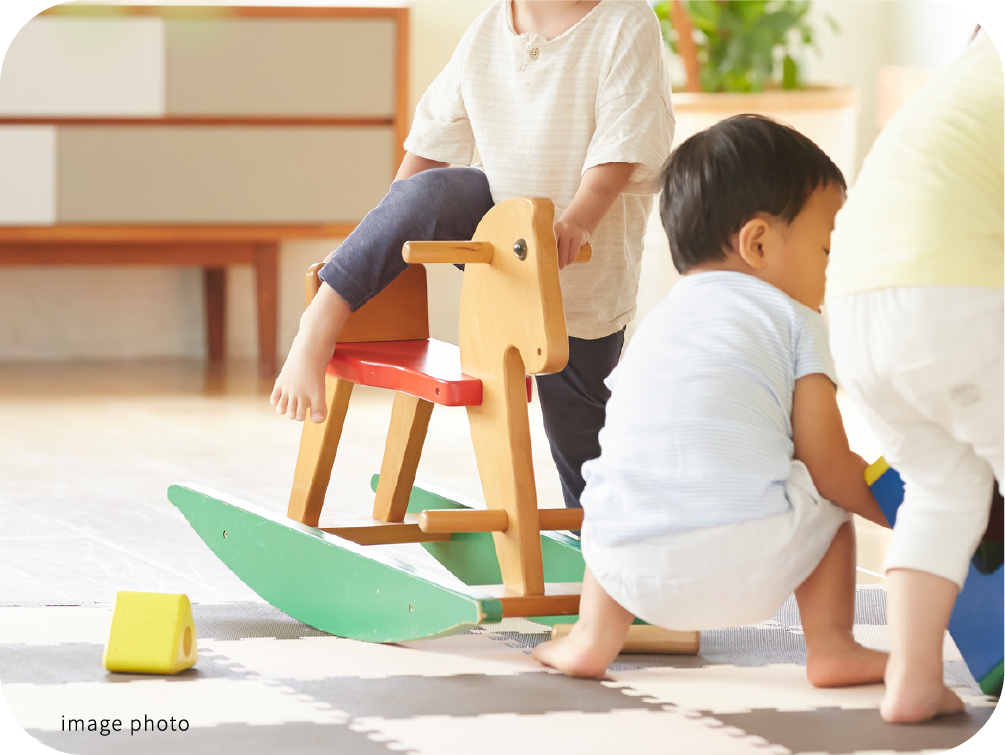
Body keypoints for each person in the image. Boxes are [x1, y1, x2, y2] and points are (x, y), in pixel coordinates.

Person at [271, 0, 675, 510]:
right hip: (500, 240)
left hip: (579, 268)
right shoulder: (490, 27)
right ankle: (322, 318)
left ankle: (601, 539)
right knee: (433, 192)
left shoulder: (625, 21)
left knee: (580, 437)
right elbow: (435, 135)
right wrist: (377, 236)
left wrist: (579, 218)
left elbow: (625, 137)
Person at [533, 115, 890, 691]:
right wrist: (909, 514)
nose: (835, 268)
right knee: (829, 505)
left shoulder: (657, 325)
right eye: (828, 248)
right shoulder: (797, 322)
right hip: (749, 567)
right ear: (758, 243)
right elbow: (829, 465)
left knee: (617, 487)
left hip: (628, 572)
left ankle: (591, 640)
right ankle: (832, 647)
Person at [825, 31, 1005, 723]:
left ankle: (913, 674)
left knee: (939, 491)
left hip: (856, 311)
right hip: (953, 294)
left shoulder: (957, 87)